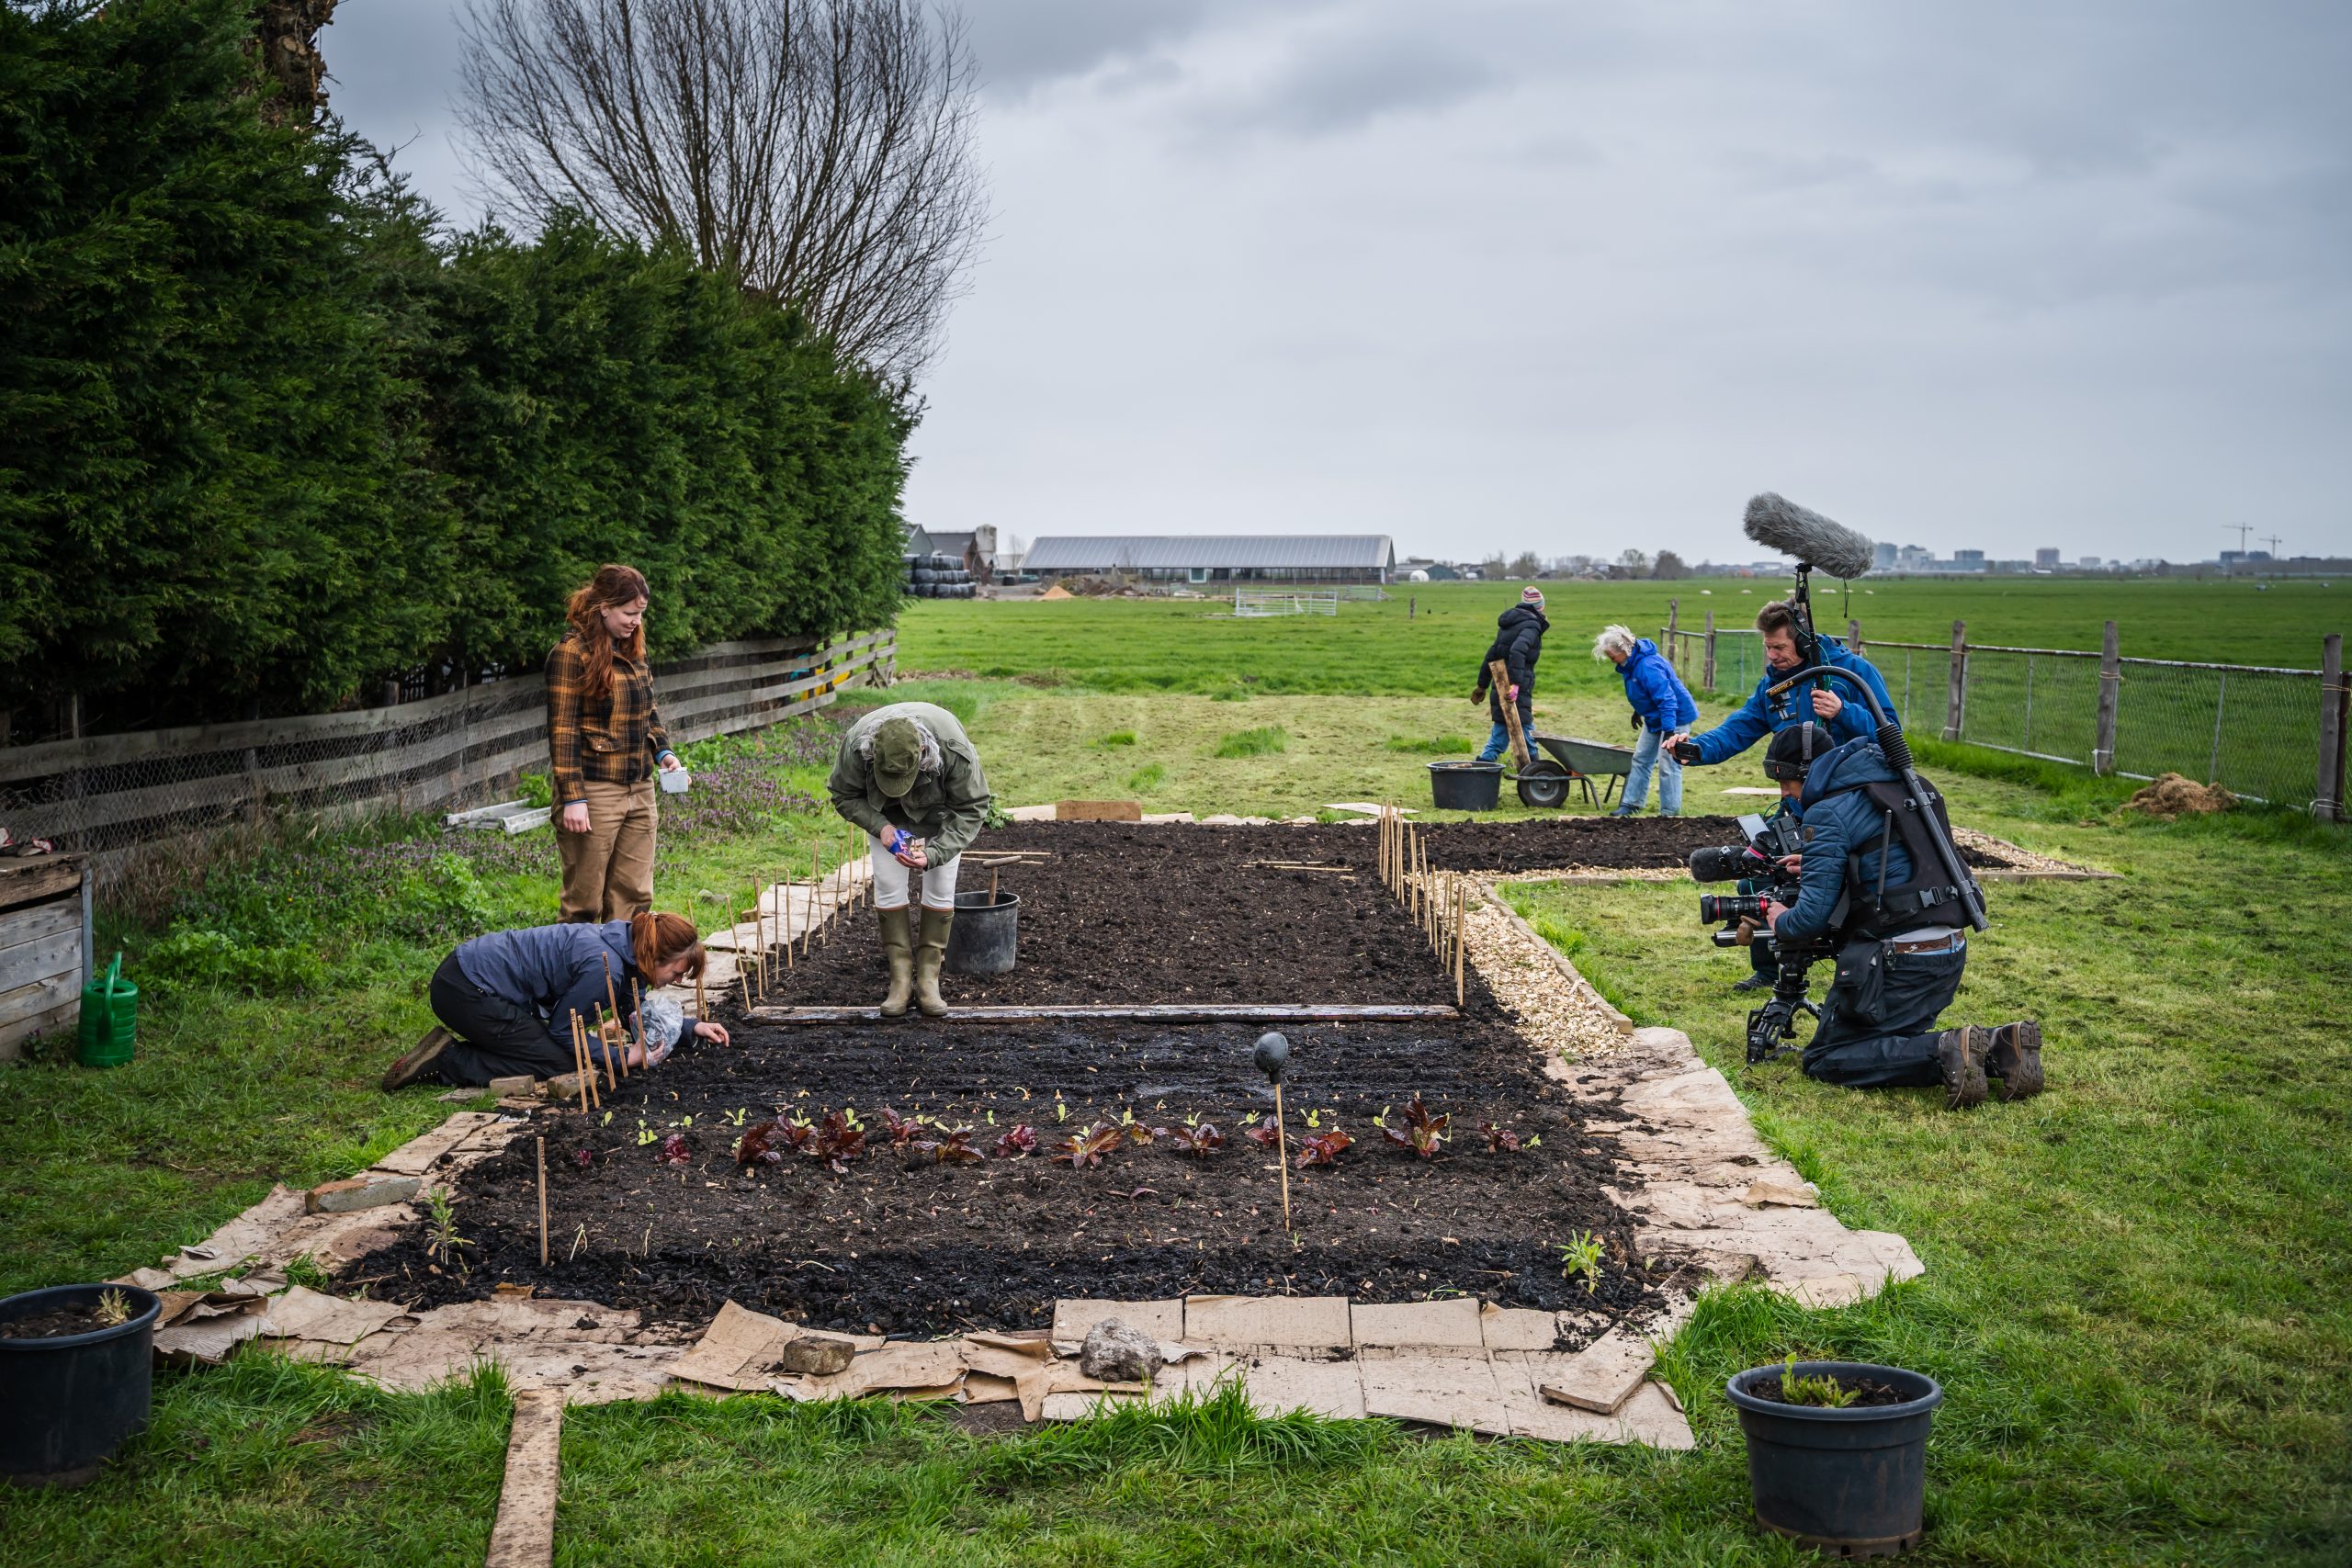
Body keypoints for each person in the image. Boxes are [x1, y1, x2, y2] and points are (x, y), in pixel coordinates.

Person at [1757, 734, 2042, 1107]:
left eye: (1785, 782)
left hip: (1896, 963)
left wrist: (1780, 919)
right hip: (1948, 952)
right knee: (1889, 1040)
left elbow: (1808, 920)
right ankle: (2003, 1043)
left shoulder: (1827, 812)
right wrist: (1819, 863)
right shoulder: (1912, 785)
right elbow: (1892, 860)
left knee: (1826, 1058)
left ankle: (1948, 1049)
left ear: (1808, 774)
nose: (1784, 794)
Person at [381, 910, 730, 1089]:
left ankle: (482, 1046)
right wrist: (623, 1056)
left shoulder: (625, 945)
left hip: (470, 975)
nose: (677, 980)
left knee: (544, 1047)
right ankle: (448, 1060)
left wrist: (689, 1028)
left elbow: (632, 1009)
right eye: (676, 972)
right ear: (654, 956)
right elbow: (565, 1032)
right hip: (467, 991)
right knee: (560, 1062)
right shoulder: (603, 968)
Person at [828, 702, 992, 1018]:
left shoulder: (951, 751)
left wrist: (934, 854)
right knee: (888, 885)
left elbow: (973, 807)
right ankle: (900, 979)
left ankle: (929, 979)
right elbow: (843, 794)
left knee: (941, 886)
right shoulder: (856, 745)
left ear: (924, 757)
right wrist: (882, 828)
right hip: (887, 819)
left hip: (940, 815)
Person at [547, 564, 684, 923]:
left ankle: (622, 976)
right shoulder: (571, 653)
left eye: (640, 614)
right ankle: (577, 974)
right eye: (628, 613)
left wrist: (663, 751)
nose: (635, 621)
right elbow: (562, 729)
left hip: (640, 787)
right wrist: (573, 797)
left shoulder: (632, 648)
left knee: (635, 896)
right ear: (604, 607)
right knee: (584, 902)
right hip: (595, 791)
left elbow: (648, 708)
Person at [1665, 600, 1894, 768]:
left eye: (1779, 647)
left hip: (1851, 792)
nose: (1772, 656)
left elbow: (1892, 735)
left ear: (1803, 643)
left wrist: (1842, 711)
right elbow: (1736, 730)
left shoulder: (1853, 672)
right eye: (1768, 647)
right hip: (1797, 794)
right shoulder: (1773, 685)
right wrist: (1697, 748)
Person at [1725, 721, 1829, 992]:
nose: (1783, 792)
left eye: (1786, 783)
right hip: (1811, 859)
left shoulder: (1833, 805)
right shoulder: (1803, 794)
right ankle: (1767, 971)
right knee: (1751, 882)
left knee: (1763, 888)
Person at [1594, 624, 1697, 817]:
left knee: (1668, 763)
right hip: (1654, 716)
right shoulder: (1630, 664)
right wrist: (1638, 710)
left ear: (1623, 651)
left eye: (1611, 655)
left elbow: (1667, 699)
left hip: (1675, 716)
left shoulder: (1648, 666)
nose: (1611, 659)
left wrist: (1669, 731)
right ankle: (1632, 804)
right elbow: (1643, 691)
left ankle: (1669, 812)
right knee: (1641, 758)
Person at [1472, 587, 1549, 762]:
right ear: (1540, 608)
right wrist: (1515, 684)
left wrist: (1481, 685)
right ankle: (1537, 772)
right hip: (1516, 687)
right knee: (1525, 726)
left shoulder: (1509, 625)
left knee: (1500, 732)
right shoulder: (1532, 625)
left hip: (1499, 684)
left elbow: (1491, 654)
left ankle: (1483, 766)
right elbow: (1518, 650)